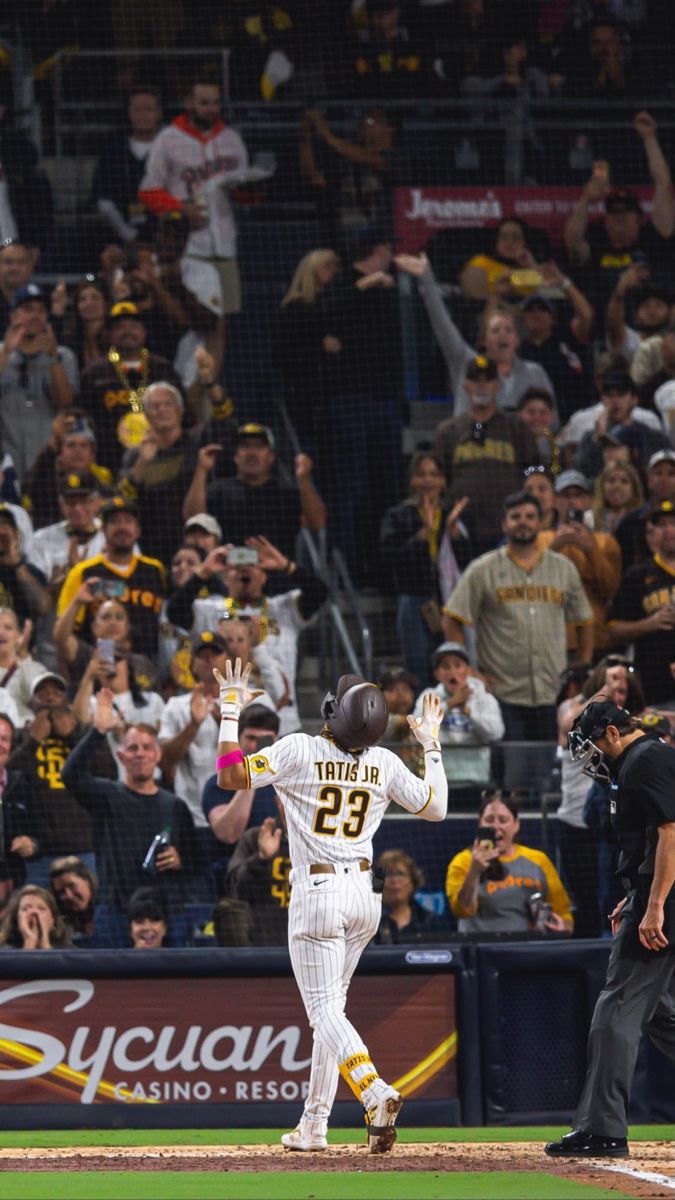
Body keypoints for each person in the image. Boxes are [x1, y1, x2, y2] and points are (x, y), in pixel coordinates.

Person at [214, 658, 448, 1153]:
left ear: (330, 711)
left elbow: (231, 777)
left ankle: (374, 1089)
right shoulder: (384, 762)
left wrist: (230, 709)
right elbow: (437, 808)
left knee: (323, 1012)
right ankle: (313, 1124)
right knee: (333, 1010)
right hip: (366, 896)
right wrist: (429, 742)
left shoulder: (299, 748)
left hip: (318, 892)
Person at [545, 697, 675, 1158]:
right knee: (661, 1015)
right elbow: (652, 841)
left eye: (596, 745)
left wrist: (654, 904)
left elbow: (670, 833)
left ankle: (603, 1130)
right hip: (652, 894)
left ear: (614, 733)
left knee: (615, 1009)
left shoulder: (647, 759)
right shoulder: (647, 757)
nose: (594, 758)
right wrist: (636, 893)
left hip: (663, 904)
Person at [442, 490, 593, 741]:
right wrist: (468, 670)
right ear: (504, 523)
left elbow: (585, 620)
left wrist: (583, 667)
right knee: (511, 774)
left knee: (547, 774)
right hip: (502, 692)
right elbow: (451, 617)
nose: (523, 521)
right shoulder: (483, 569)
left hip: (552, 690)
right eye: (516, 517)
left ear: (540, 522)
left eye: (530, 516)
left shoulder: (563, 568)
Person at [60, 693, 201, 946]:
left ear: (158, 755)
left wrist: (181, 861)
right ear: (122, 756)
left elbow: (196, 861)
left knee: (177, 985)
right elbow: (71, 776)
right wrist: (98, 732)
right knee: (111, 985)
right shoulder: (107, 795)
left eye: (147, 747)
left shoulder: (175, 806)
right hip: (116, 911)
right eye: (133, 748)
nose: (140, 754)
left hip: (167, 913)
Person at [139, 77, 251, 376]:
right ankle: (185, 398)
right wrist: (180, 209)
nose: (211, 108)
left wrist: (249, 190)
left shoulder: (232, 140)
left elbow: (246, 194)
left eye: (215, 102)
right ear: (188, 103)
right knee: (191, 327)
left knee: (219, 327)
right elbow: (148, 190)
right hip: (187, 248)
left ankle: (208, 397)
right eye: (204, 102)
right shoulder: (168, 138)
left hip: (224, 246)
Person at [166, 536, 328, 735]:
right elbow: (174, 612)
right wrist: (203, 573)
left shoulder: (283, 609)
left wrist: (286, 566)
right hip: (226, 718)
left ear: (264, 576)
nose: (245, 569)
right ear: (225, 577)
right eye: (236, 566)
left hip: (281, 719)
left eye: (253, 564)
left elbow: (319, 592)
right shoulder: (210, 611)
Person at [395, 252, 555, 416]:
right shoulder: (468, 364)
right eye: (495, 330)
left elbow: (550, 423)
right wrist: (426, 277)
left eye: (508, 330)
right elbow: (442, 325)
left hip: (521, 441)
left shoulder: (535, 373)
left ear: (517, 340)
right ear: (484, 341)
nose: (502, 335)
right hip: (475, 437)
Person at [563, 112, 675, 311]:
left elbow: (663, 183)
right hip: (605, 321)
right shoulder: (596, 241)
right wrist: (586, 199)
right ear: (605, 220)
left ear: (640, 219)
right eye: (613, 213)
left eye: (626, 212)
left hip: (652, 317)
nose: (619, 218)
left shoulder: (655, 238)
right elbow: (572, 243)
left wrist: (649, 138)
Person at [379, 452, 471, 687]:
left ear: (443, 481)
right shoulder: (398, 515)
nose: (428, 480)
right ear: (412, 480)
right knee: (418, 667)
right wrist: (423, 535)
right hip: (414, 600)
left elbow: (470, 562)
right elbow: (390, 558)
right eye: (421, 474)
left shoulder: (455, 514)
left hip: (450, 601)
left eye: (434, 474)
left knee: (452, 665)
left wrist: (455, 534)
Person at [433, 356, 539, 555]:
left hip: (509, 528)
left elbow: (535, 468)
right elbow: (439, 478)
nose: (482, 386)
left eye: (488, 380)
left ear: (497, 386)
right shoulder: (448, 432)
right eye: (475, 380)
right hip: (462, 531)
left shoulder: (516, 427)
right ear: (465, 386)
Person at [182, 423, 327, 562]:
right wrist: (201, 470)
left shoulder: (286, 493)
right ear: (236, 456)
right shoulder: (218, 490)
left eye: (259, 447)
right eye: (245, 446)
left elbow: (317, 523)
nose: (252, 453)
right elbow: (193, 519)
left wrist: (304, 479)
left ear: (271, 457)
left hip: (278, 578)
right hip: (229, 576)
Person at [446, 789, 573, 935]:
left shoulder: (539, 861)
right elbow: (462, 911)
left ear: (516, 824)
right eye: (489, 820)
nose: (495, 826)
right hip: (480, 951)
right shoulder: (463, 862)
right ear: (480, 823)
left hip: (526, 951)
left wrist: (562, 926)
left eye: (503, 820)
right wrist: (474, 871)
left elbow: (565, 916)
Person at [55, 496, 166, 660]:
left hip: (147, 670)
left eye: (128, 521)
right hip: (99, 665)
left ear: (138, 530)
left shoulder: (155, 570)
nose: (122, 527)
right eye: (115, 521)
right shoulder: (83, 572)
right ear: (103, 530)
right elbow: (63, 637)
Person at [79, 301, 183, 473]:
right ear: (109, 334)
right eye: (120, 327)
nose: (127, 332)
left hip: (163, 461)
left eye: (134, 326)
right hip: (110, 462)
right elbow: (85, 421)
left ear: (144, 332)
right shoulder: (94, 373)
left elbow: (184, 416)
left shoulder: (163, 368)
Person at [538, 470, 622, 656]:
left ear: (589, 501)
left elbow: (610, 590)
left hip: (594, 640)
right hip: (549, 640)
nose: (572, 501)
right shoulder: (541, 540)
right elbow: (529, 583)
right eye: (565, 496)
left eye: (578, 495)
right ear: (554, 501)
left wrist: (590, 550)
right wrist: (554, 548)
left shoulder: (605, 541)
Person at [0, 283, 77, 480]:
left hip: (49, 462)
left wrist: (52, 359)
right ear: (13, 316)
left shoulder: (63, 356)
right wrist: (6, 352)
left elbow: (65, 403)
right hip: (6, 461)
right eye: (27, 310)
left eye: (41, 311)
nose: (35, 316)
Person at [119, 380, 200, 562]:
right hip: (150, 544)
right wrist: (143, 462)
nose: (162, 410)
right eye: (155, 406)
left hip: (192, 543)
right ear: (146, 415)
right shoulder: (135, 455)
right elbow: (122, 499)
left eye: (167, 404)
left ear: (180, 410)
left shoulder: (196, 445)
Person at [607, 500, 675, 705]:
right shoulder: (637, 575)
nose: (669, 530)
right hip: (652, 681)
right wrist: (650, 624)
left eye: (674, 523)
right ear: (651, 532)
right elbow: (613, 630)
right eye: (662, 524)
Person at [414, 642, 504, 784]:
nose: (452, 672)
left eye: (458, 665)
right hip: (439, 781)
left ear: (468, 670)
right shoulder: (429, 696)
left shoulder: (484, 698)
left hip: (477, 778)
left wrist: (470, 714)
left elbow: (496, 734)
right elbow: (417, 727)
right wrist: (450, 704)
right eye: (445, 666)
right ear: (437, 674)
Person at [203, 703, 281, 851]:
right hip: (236, 867)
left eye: (264, 740)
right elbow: (228, 835)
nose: (256, 747)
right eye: (251, 738)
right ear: (237, 740)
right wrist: (252, 775)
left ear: (276, 740)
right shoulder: (219, 783)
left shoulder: (289, 782)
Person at [92, 87, 164, 245]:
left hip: (165, 240)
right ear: (128, 113)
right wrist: (129, 235)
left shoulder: (170, 152)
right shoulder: (113, 152)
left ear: (159, 113)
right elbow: (103, 201)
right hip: (118, 240)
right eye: (137, 109)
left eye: (149, 109)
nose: (143, 115)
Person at [21, 411, 113, 532]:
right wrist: (51, 446)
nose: (77, 451)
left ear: (92, 455)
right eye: (71, 445)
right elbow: (31, 483)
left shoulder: (102, 489)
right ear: (59, 454)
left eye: (83, 445)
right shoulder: (46, 486)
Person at [572, 372, 670, 478]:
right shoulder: (589, 439)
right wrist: (599, 439)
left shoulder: (654, 438)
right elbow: (582, 475)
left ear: (634, 399)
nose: (615, 401)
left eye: (621, 394)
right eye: (609, 395)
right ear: (602, 400)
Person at [226, 797, 291, 946]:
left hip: (310, 948)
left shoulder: (321, 843)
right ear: (277, 800)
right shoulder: (254, 838)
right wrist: (261, 859)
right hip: (264, 948)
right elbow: (236, 889)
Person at [615, 449, 675, 570]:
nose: (664, 479)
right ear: (649, 479)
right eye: (658, 473)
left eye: (671, 474)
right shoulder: (630, 523)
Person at [375, 847, 444, 944]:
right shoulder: (370, 921)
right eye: (388, 875)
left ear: (412, 883)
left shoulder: (429, 921)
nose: (394, 880)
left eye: (400, 874)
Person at [0, 507, 49, 626]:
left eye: (4, 525)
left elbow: (43, 607)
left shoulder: (30, 571)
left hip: (22, 641)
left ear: (15, 534)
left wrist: (17, 563)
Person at [0, 883, 70, 949]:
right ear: (15, 919)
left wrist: (44, 940)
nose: (34, 912)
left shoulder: (68, 951)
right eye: (26, 908)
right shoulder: (3, 950)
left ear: (53, 920)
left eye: (41, 908)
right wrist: (29, 940)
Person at [590, 460, 644, 538]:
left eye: (624, 481)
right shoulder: (590, 518)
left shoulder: (642, 520)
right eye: (611, 480)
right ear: (602, 486)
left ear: (634, 489)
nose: (617, 486)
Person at [49, 855, 97, 940]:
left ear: (88, 881)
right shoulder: (59, 926)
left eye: (72, 886)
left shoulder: (112, 913)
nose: (68, 895)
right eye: (61, 892)